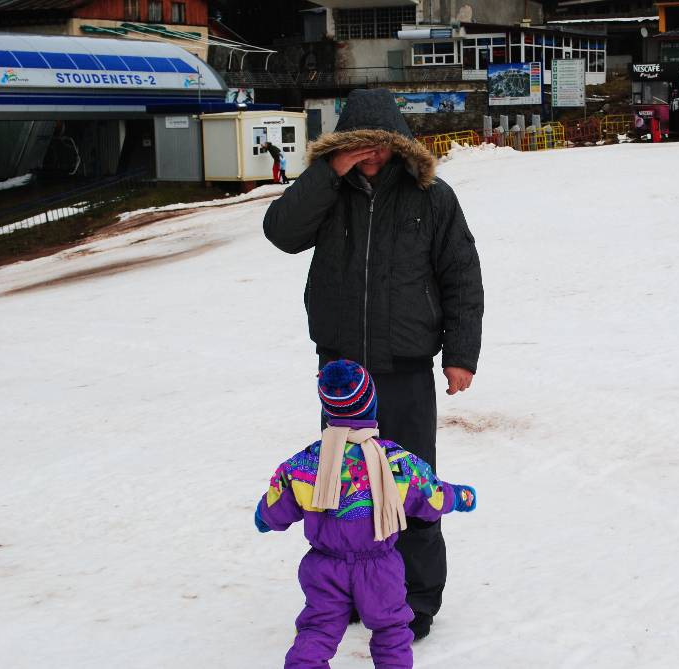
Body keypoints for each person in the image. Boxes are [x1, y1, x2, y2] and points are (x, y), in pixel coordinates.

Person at [262, 87, 483, 640]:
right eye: (359, 145)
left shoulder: (432, 197)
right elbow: (281, 233)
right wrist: (327, 173)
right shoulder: (328, 192)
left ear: (399, 145)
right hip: (342, 375)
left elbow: (461, 276)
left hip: (405, 366)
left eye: (381, 144)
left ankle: (415, 600)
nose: (372, 154)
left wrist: (460, 355)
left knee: (412, 487)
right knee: (343, 492)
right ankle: (355, 592)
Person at [256, 359, 477, 668]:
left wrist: (263, 517)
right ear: (371, 406)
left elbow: (276, 505)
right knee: (391, 631)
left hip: (324, 568)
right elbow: (431, 495)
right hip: (380, 569)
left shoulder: (304, 464)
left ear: (327, 410)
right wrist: (462, 497)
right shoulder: (396, 462)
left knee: (317, 630)